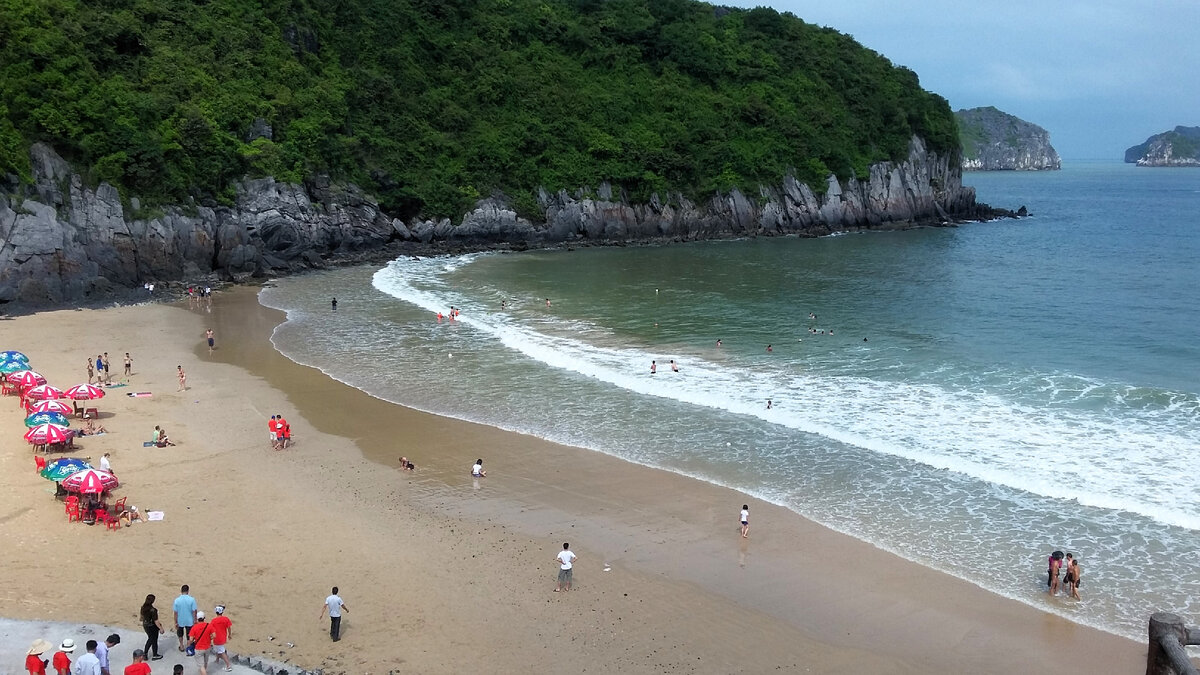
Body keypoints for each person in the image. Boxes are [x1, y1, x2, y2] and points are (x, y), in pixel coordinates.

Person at [188, 611, 213, 675]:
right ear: (204, 618)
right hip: (207, 647)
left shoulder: (194, 627)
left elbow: (190, 639)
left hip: (199, 648)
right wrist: (209, 638)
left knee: (201, 666)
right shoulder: (209, 625)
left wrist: (191, 643)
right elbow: (214, 635)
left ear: (197, 619)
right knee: (205, 662)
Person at [173, 585, 198, 652]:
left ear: (181, 591)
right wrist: (195, 620)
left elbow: (175, 612)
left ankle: (181, 646)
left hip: (180, 620)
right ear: (188, 591)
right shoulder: (192, 599)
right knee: (189, 634)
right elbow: (194, 611)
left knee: (180, 633)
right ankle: (188, 645)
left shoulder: (177, 600)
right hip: (189, 620)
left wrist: (175, 622)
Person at [141, 594, 164, 661]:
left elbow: (141, 618)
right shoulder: (153, 610)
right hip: (152, 627)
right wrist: (161, 628)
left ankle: (146, 653)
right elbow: (156, 621)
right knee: (153, 640)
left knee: (151, 639)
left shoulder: (143, 607)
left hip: (146, 625)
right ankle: (154, 654)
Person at [210, 605, 233, 672]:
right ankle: (217, 660)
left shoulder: (214, 621)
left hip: (217, 638)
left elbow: (211, 630)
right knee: (218, 649)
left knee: (221, 651)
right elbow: (229, 627)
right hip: (223, 637)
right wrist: (229, 635)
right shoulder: (226, 619)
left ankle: (228, 666)